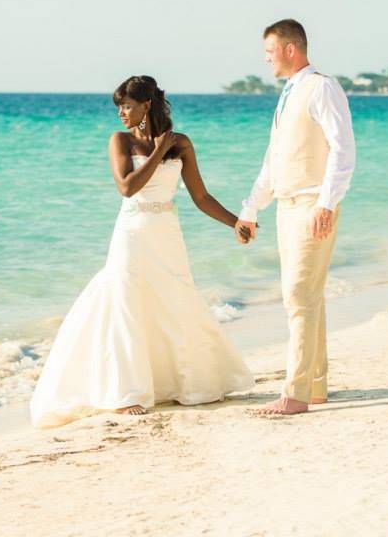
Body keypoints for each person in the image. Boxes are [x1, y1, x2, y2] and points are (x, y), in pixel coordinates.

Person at [29, 75, 255, 428]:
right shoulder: (120, 141)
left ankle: (185, 382)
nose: (121, 112)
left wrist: (236, 222)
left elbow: (201, 196)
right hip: (131, 235)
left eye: (128, 105)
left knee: (174, 302)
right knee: (126, 305)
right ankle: (126, 393)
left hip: (166, 234)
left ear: (146, 105)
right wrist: (159, 151)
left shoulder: (181, 143)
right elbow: (128, 187)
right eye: (118, 106)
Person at [233, 19, 356, 416]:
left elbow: (342, 149)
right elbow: (274, 162)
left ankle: (296, 393)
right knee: (310, 298)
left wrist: (326, 201)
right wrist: (250, 211)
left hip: (311, 205)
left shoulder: (321, 87)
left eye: (269, 50)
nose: (265, 58)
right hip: (287, 207)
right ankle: (315, 386)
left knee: (299, 299)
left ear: (290, 49)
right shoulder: (288, 95)